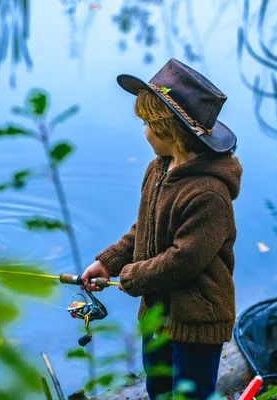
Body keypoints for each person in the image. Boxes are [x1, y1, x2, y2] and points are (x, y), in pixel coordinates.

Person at [81, 58, 242, 400]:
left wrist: (130, 277)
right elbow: (146, 226)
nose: (144, 131)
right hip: (157, 313)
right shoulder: (160, 169)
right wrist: (110, 261)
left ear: (171, 131)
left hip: (196, 322)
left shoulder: (209, 194)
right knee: (159, 391)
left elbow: (185, 259)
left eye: (148, 124)